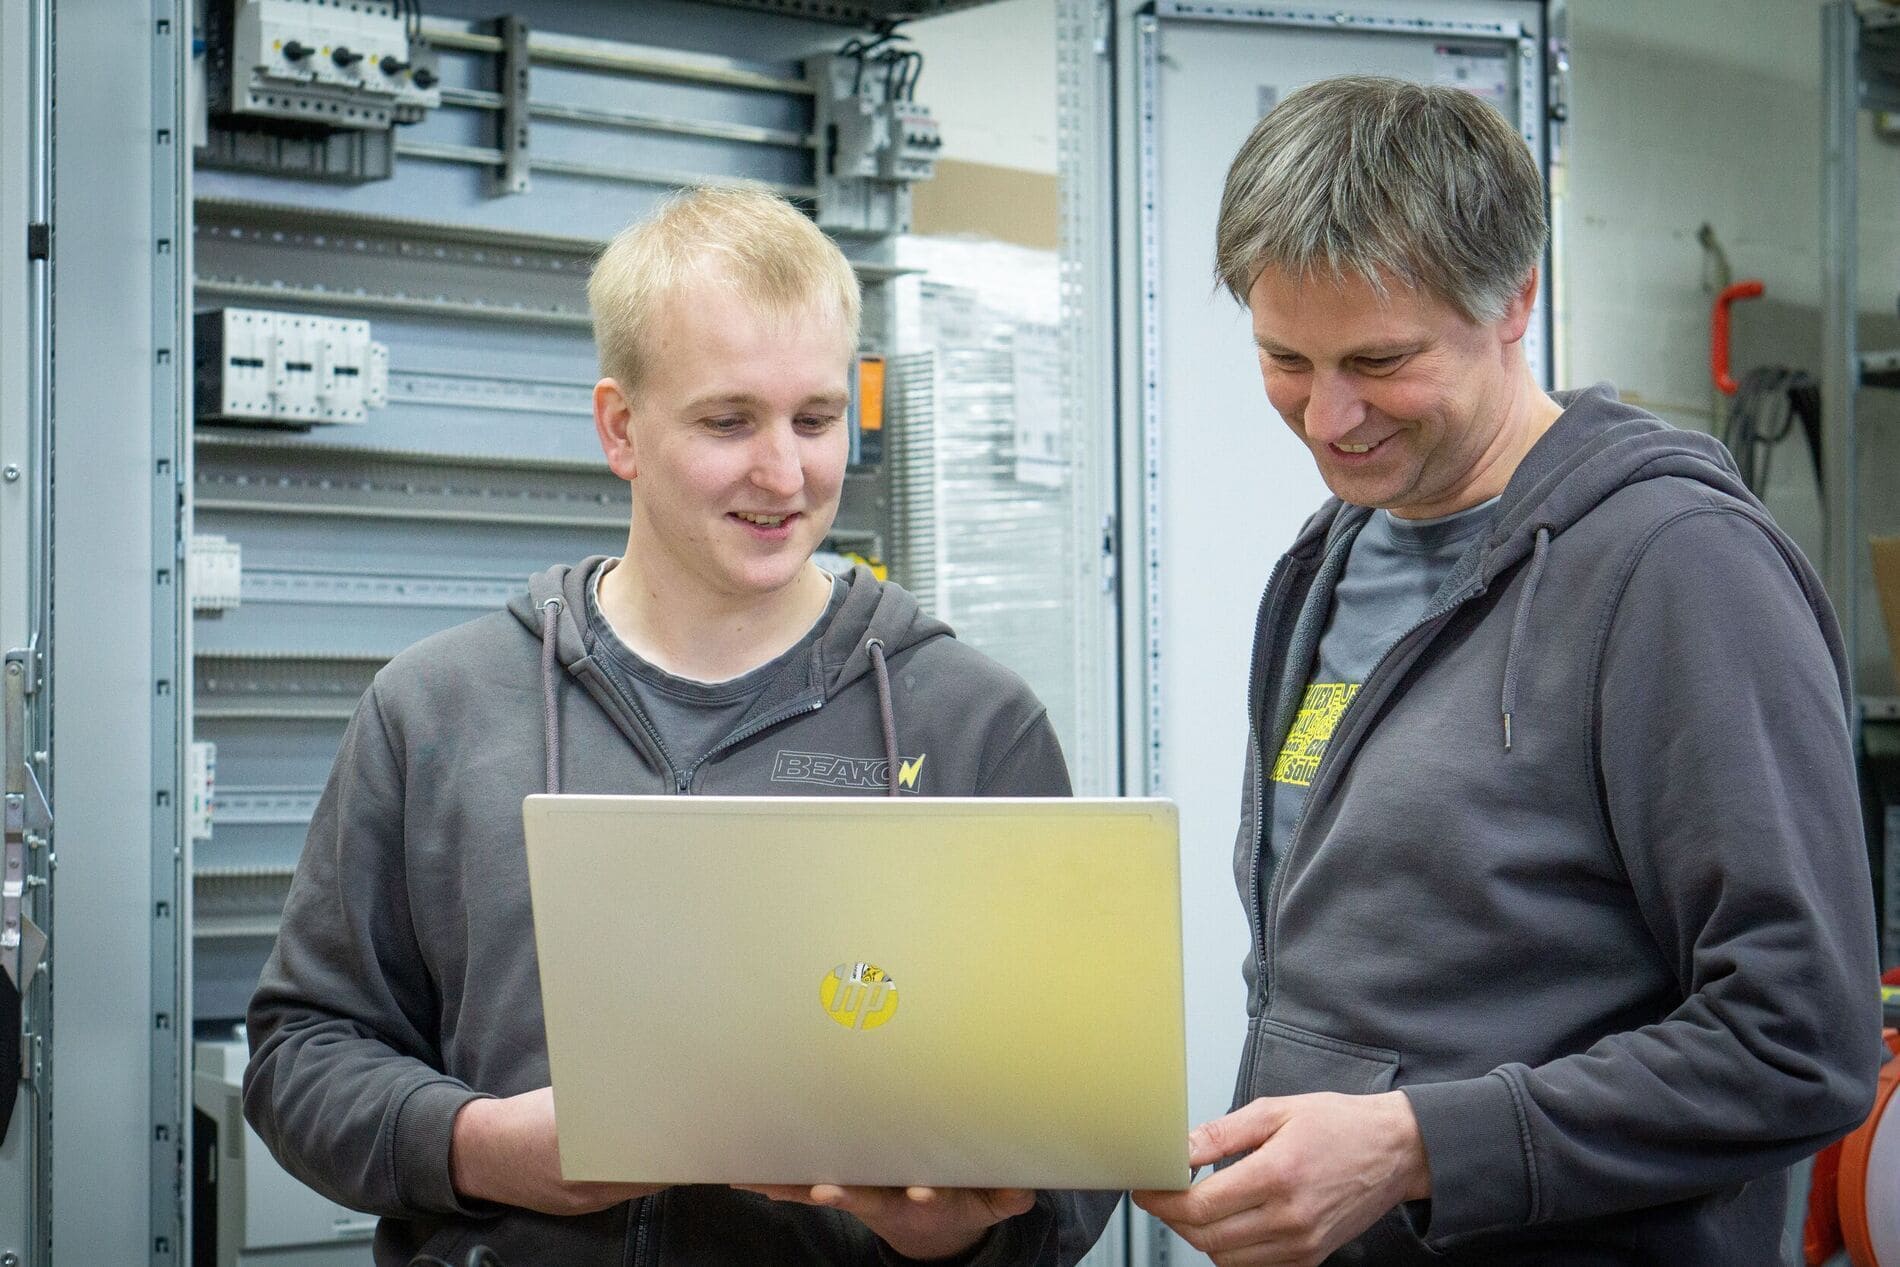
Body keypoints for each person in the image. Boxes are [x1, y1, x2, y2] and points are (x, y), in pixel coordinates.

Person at [244, 183, 1119, 1267]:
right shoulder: (438, 709)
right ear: (620, 426)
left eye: (816, 418)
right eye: (727, 421)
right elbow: (305, 1051)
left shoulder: (973, 722)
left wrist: (952, 1239)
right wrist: (476, 1145)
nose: (784, 472)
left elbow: (1080, 1144)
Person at [1133, 76, 1880, 1265]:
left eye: (1379, 360)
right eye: (1285, 357)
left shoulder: (1675, 571)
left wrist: (1417, 1147)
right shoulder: (1327, 559)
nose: (1328, 419)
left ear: (1515, 300)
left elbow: (1797, 1041)